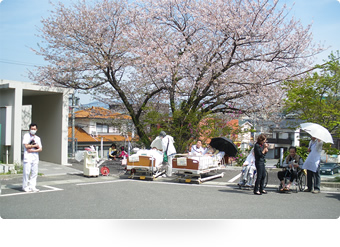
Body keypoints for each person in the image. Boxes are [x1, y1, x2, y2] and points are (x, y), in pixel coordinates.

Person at [22, 123, 42, 192]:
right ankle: (25, 186)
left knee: (34, 172)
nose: (33, 130)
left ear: (36, 129)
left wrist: (33, 149)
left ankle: (32, 186)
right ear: (29, 129)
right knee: (27, 172)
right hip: (27, 157)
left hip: (35, 157)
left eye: (34, 129)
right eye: (32, 129)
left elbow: (40, 149)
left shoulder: (38, 138)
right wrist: (34, 145)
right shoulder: (26, 136)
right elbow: (26, 146)